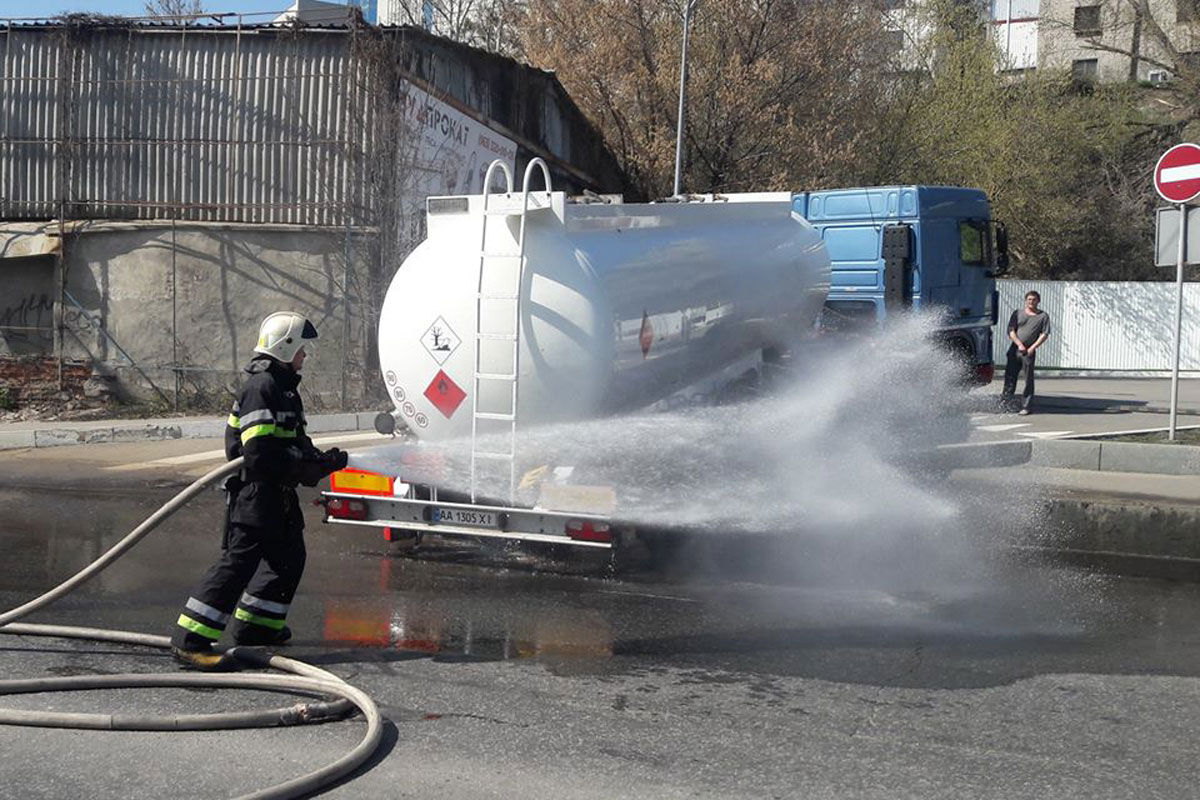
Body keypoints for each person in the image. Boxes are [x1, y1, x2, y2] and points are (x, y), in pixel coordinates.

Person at [170, 312, 348, 670]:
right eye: (302, 350)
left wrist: (318, 459)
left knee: (288, 558)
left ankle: (257, 626)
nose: (305, 357)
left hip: (276, 493)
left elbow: (291, 440)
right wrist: (304, 467)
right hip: (257, 492)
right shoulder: (262, 387)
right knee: (238, 564)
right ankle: (190, 641)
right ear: (287, 348)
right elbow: (259, 453)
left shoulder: (283, 388)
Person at [1001, 290, 1051, 415]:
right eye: (1029, 299)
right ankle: (1005, 404)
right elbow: (1011, 330)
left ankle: (1026, 406)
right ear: (1025, 300)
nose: (1031, 302)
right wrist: (1019, 344)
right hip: (1015, 349)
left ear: (1038, 301)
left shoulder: (1043, 316)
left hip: (1029, 351)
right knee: (1010, 377)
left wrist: (1033, 347)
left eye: (1034, 299)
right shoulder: (1018, 313)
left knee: (1028, 379)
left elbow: (1044, 334)